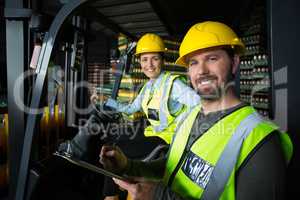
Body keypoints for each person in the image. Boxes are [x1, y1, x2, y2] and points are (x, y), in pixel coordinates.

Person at [99, 21, 293, 200]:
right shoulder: (190, 117)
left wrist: (158, 195)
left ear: (235, 62)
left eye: (212, 58)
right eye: (193, 62)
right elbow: (172, 165)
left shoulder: (260, 141)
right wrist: (129, 166)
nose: (201, 70)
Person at [99, 33, 200, 200]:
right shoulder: (147, 87)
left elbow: (199, 104)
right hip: (154, 133)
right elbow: (131, 109)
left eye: (154, 59)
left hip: (170, 141)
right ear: (140, 62)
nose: (149, 65)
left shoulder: (174, 84)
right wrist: (108, 102)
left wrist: (184, 131)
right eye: (145, 59)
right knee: (112, 142)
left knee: (118, 150)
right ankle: (114, 193)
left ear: (163, 60)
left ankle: (111, 196)